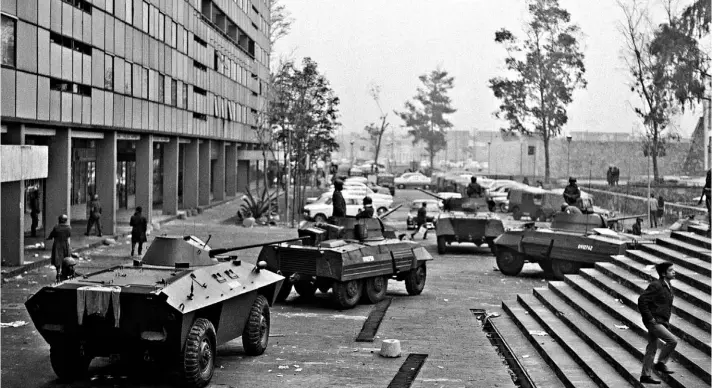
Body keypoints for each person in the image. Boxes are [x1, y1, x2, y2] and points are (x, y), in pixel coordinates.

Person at [638, 262, 678, 385]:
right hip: (654, 322)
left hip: (660, 321)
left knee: (652, 348)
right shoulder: (656, 285)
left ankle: (645, 375)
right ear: (663, 273)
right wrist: (650, 318)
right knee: (672, 340)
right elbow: (642, 300)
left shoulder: (667, 285)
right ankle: (661, 363)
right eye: (671, 270)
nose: (674, 272)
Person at [47, 215, 72, 282]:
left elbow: (52, 234)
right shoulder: (68, 227)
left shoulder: (56, 227)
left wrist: (49, 238)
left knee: (57, 259)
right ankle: (65, 274)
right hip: (65, 244)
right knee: (66, 258)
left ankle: (58, 273)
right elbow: (69, 235)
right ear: (65, 220)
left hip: (57, 244)